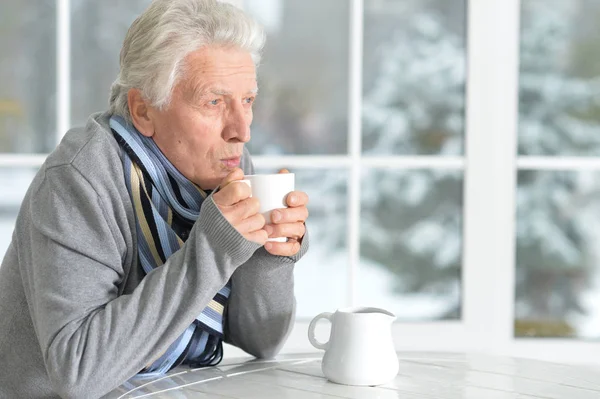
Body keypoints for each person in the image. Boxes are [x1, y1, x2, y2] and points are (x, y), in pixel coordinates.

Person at [0, 0, 309, 397]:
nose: (241, 130)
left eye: (247, 100)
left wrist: (269, 256)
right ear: (143, 110)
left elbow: (261, 342)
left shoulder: (222, 160)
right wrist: (213, 249)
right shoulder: (79, 180)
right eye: (213, 102)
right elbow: (78, 373)